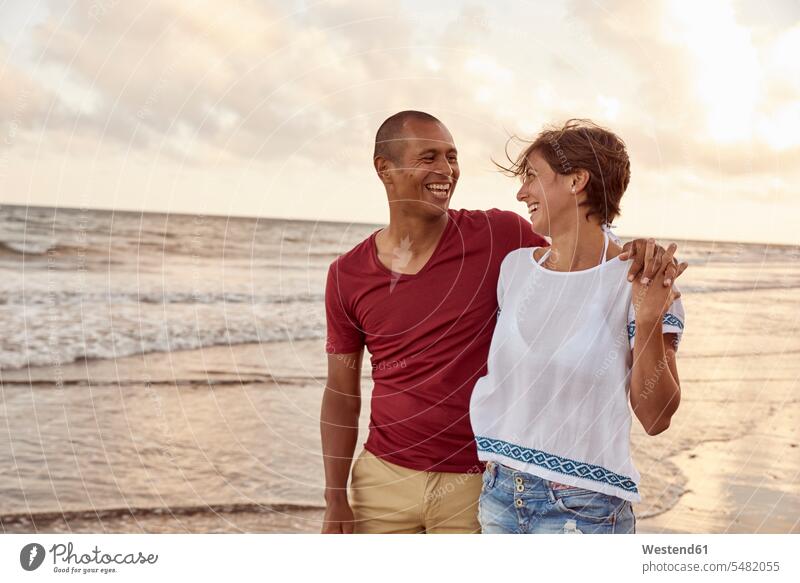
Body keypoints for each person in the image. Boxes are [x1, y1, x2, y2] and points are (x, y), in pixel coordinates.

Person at [320, 111, 686, 534]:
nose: (446, 170)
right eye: (429, 157)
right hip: (419, 485)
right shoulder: (350, 274)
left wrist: (640, 260)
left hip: (496, 488)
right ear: (385, 168)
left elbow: (584, 256)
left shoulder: (500, 237)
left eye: (451, 156)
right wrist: (334, 495)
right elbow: (341, 393)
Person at [469, 119, 687, 534]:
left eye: (532, 176)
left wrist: (647, 320)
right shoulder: (514, 269)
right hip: (498, 494)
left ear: (576, 181)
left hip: (584, 511)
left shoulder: (643, 278)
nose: (521, 192)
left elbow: (656, 417)